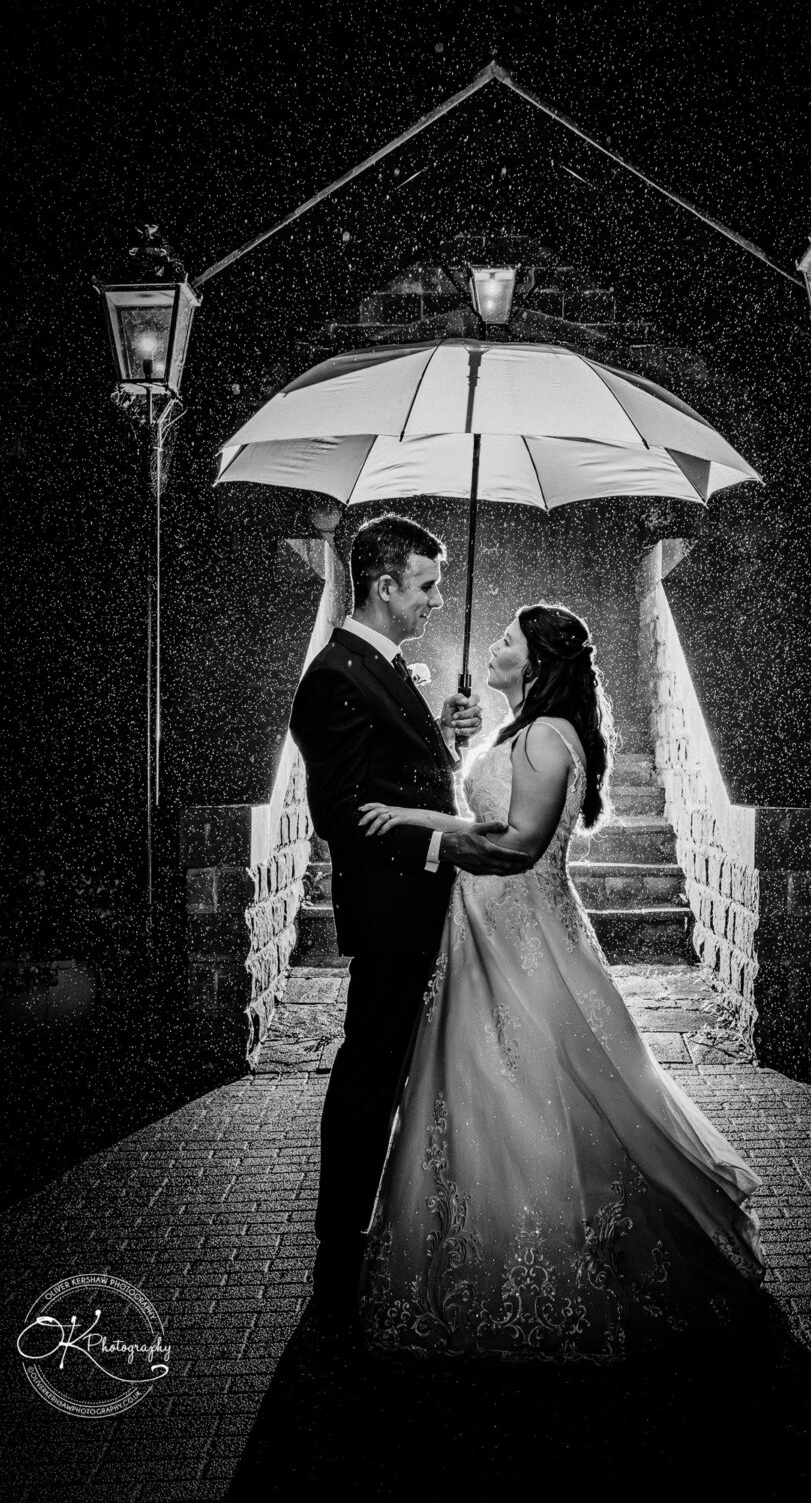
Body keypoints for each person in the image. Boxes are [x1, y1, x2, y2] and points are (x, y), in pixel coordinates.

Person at [354, 603, 767, 1361]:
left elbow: (516, 848)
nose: (494, 645)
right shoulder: (526, 731)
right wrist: (435, 784)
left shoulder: (546, 736)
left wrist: (422, 836)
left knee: (528, 1085)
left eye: (507, 640)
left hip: (521, 937)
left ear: (537, 663)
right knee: (482, 1083)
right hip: (487, 931)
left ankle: (552, 1255)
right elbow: (490, 821)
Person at [288, 514, 530, 1326]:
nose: (435, 599)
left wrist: (450, 742)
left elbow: (405, 781)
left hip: (420, 907)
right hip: (391, 912)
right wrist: (442, 846)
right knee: (371, 1072)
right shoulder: (335, 675)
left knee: (394, 1068)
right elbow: (343, 813)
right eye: (425, 585)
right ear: (384, 584)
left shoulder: (381, 666)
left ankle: (377, 1223)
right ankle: (340, 1240)